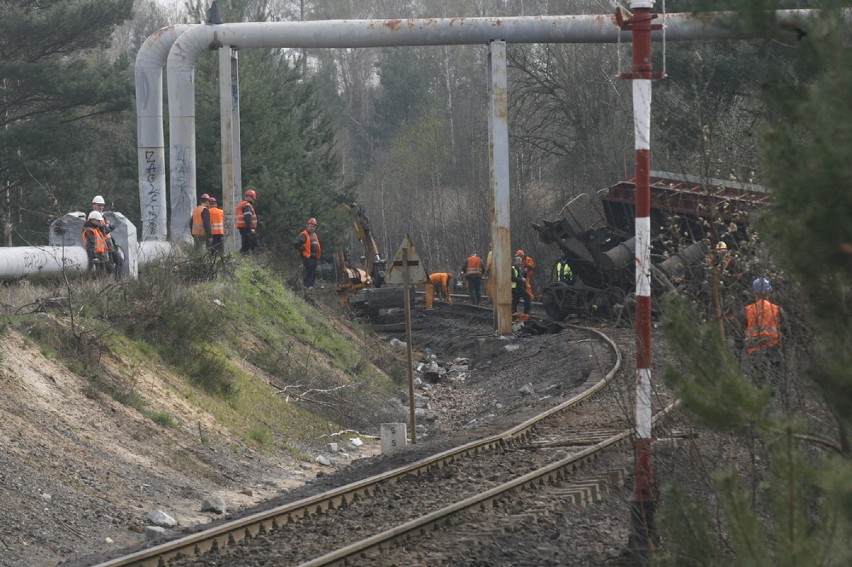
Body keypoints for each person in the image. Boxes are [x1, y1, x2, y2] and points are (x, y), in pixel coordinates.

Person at [736, 277, 786, 391]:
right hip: (773, 348)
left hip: (755, 349)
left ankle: (760, 400)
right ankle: (773, 399)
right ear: (769, 292)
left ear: (754, 292)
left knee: (759, 381)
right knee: (774, 381)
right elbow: (786, 330)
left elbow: (739, 332)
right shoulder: (777, 309)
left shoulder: (747, 310)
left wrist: (738, 349)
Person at [91, 195, 122, 277]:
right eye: (99, 205)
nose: (101, 207)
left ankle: (117, 282)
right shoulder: (93, 217)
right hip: (104, 247)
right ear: (93, 205)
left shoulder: (102, 215)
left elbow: (105, 228)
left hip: (109, 245)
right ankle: (114, 283)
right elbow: (103, 231)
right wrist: (111, 227)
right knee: (110, 268)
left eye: (102, 205)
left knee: (119, 261)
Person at [294, 217, 322, 289]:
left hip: (314, 257)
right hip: (308, 257)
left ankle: (311, 286)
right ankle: (306, 287)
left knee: (312, 272)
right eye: (311, 226)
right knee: (308, 271)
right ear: (307, 226)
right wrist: (301, 249)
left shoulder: (314, 235)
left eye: (313, 227)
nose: (312, 228)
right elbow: (296, 243)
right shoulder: (304, 234)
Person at [236, 189, 258, 254]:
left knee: (246, 244)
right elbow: (247, 217)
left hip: (243, 227)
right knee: (248, 244)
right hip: (246, 227)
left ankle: (242, 257)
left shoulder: (242, 204)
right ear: (250, 197)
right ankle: (242, 257)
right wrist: (251, 228)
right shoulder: (247, 205)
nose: (253, 200)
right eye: (253, 198)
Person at [511, 255, 531, 320]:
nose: (519, 262)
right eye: (518, 260)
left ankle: (513, 312)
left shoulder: (521, 268)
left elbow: (523, 276)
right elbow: (512, 278)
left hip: (520, 286)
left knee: (515, 300)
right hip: (516, 287)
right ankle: (526, 313)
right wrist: (521, 279)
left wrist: (525, 273)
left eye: (520, 260)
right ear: (515, 261)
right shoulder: (513, 268)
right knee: (527, 297)